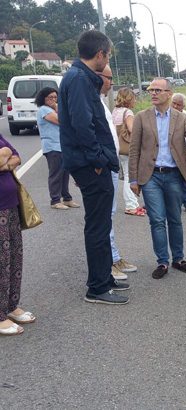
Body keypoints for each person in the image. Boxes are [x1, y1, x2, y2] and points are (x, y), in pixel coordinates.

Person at [58, 30, 129, 305]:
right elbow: (81, 126)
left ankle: (104, 280)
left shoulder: (81, 78)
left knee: (101, 223)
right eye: (108, 54)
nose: (107, 58)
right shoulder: (78, 80)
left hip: (92, 162)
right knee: (98, 227)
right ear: (99, 54)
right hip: (91, 165)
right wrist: (98, 161)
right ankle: (97, 288)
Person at [128, 78, 186, 279]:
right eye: (151, 90)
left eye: (158, 90)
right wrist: (133, 180)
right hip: (151, 176)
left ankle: (178, 258)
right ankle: (162, 262)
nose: (153, 93)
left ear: (169, 93)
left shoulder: (181, 118)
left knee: (175, 219)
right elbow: (134, 150)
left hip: (173, 176)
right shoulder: (142, 117)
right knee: (157, 220)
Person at [98, 65, 138, 281]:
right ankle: (108, 262)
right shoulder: (93, 100)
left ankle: (113, 257)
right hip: (104, 165)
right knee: (104, 216)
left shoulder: (108, 106)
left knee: (109, 215)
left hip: (112, 161)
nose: (111, 83)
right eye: (109, 78)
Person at [0, 134, 35, 336]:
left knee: (14, 257)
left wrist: (5, 157)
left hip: (10, 204)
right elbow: (7, 155)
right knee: (1, 262)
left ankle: (11, 305)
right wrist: (5, 155)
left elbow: (16, 156)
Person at [35, 87, 80, 210]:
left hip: (61, 145)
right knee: (56, 173)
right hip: (52, 146)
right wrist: (57, 108)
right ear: (43, 98)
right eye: (50, 97)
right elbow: (62, 121)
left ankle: (67, 198)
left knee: (65, 173)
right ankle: (55, 200)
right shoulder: (44, 110)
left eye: (55, 97)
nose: (53, 100)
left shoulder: (53, 109)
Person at [112, 87, 146, 216]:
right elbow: (133, 130)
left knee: (125, 174)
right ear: (129, 99)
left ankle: (132, 204)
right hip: (128, 148)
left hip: (118, 148)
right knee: (130, 176)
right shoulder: (128, 112)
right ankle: (131, 205)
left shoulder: (115, 111)